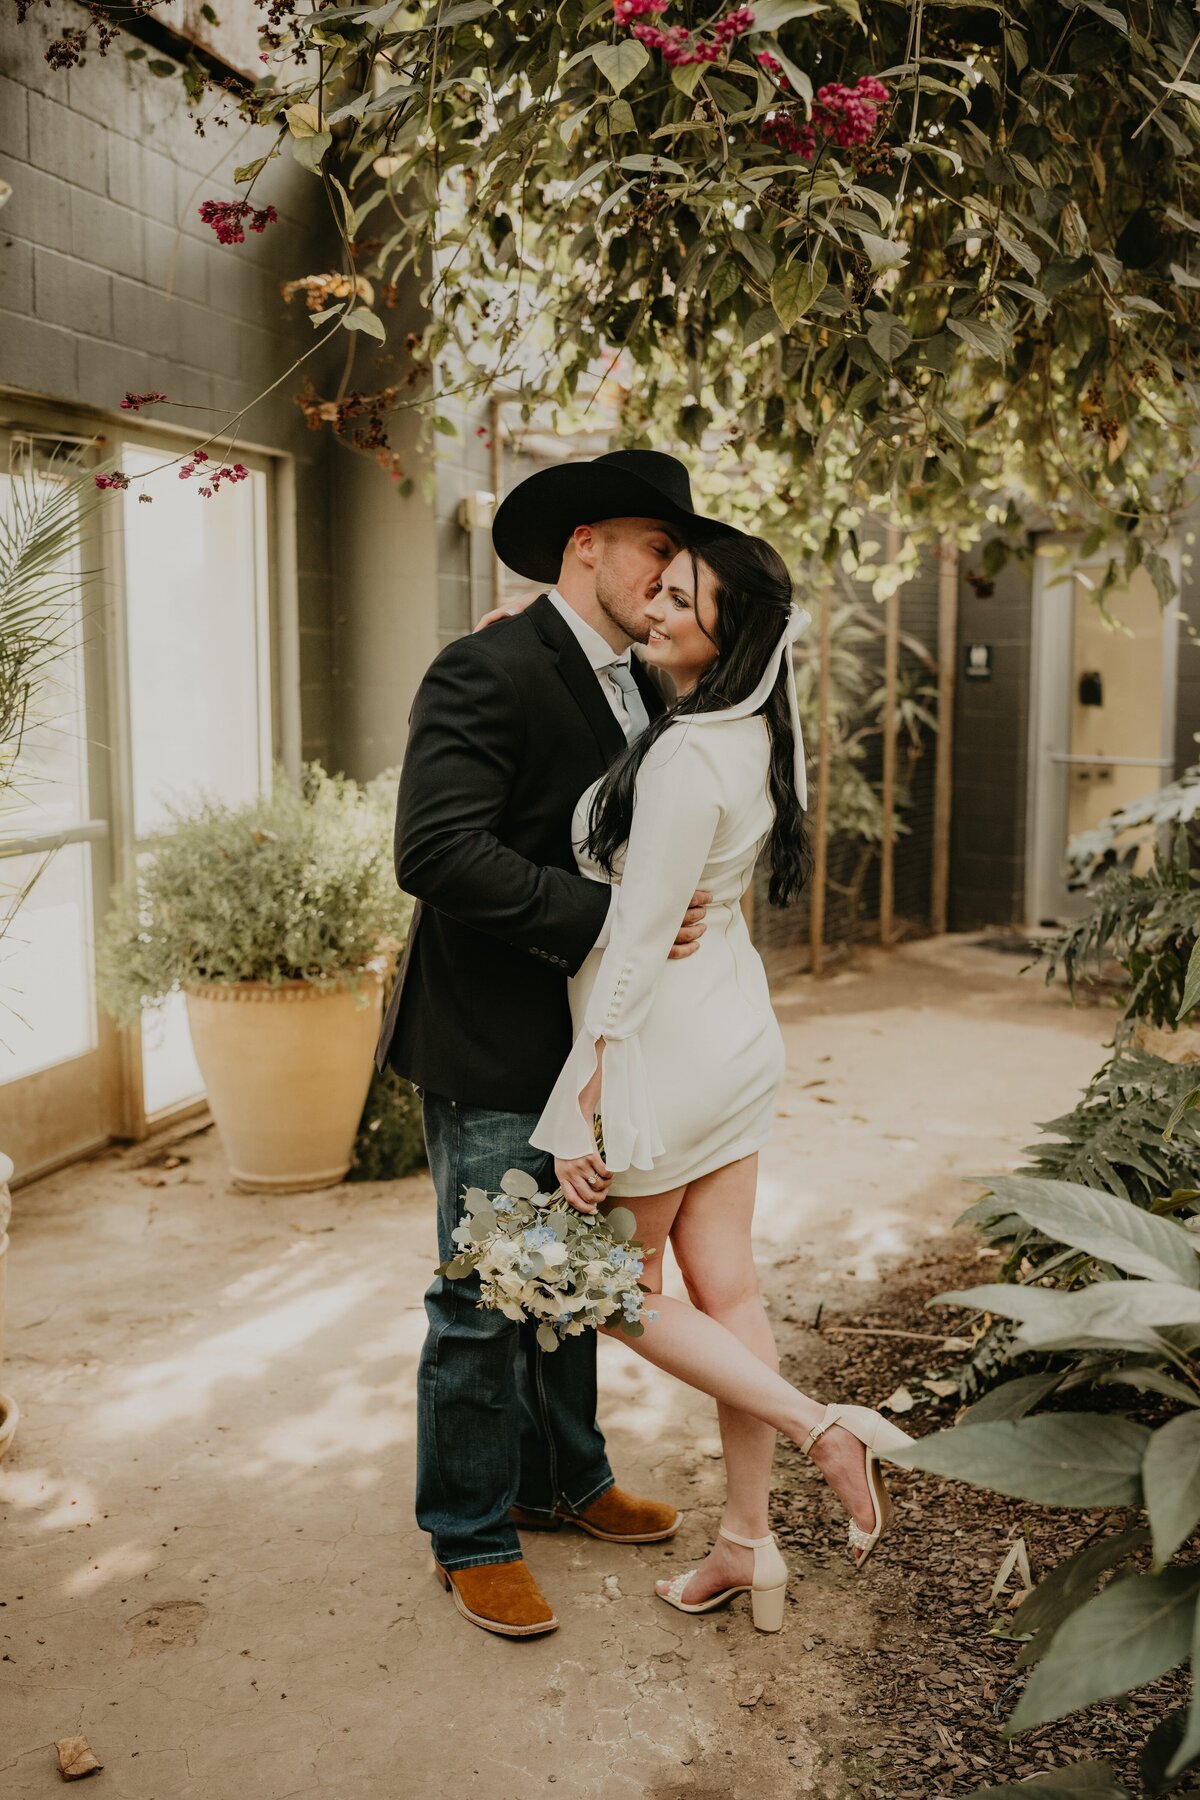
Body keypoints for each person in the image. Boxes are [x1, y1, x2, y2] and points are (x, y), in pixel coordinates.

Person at [376, 450, 738, 1640]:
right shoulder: (486, 665)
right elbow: (435, 851)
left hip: (595, 1040)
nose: (667, 575)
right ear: (584, 543)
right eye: (652, 548)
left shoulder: (641, 683)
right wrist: (608, 920)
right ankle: (470, 1532)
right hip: (492, 1036)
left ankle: (562, 1480)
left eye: (680, 560)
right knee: (485, 1293)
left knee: (570, 1280)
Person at [530, 529, 914, 1633]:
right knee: (727, 1291)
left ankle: (818, 1428)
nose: (653, 610)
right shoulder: (746, 735)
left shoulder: (688, 757)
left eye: (680, 603)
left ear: (728, 634)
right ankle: (750, 1544)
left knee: (601, 1289)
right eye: (658, 592)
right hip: (733, 1026)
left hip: (663, 1047)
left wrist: (577, 1109)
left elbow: (640, 942)